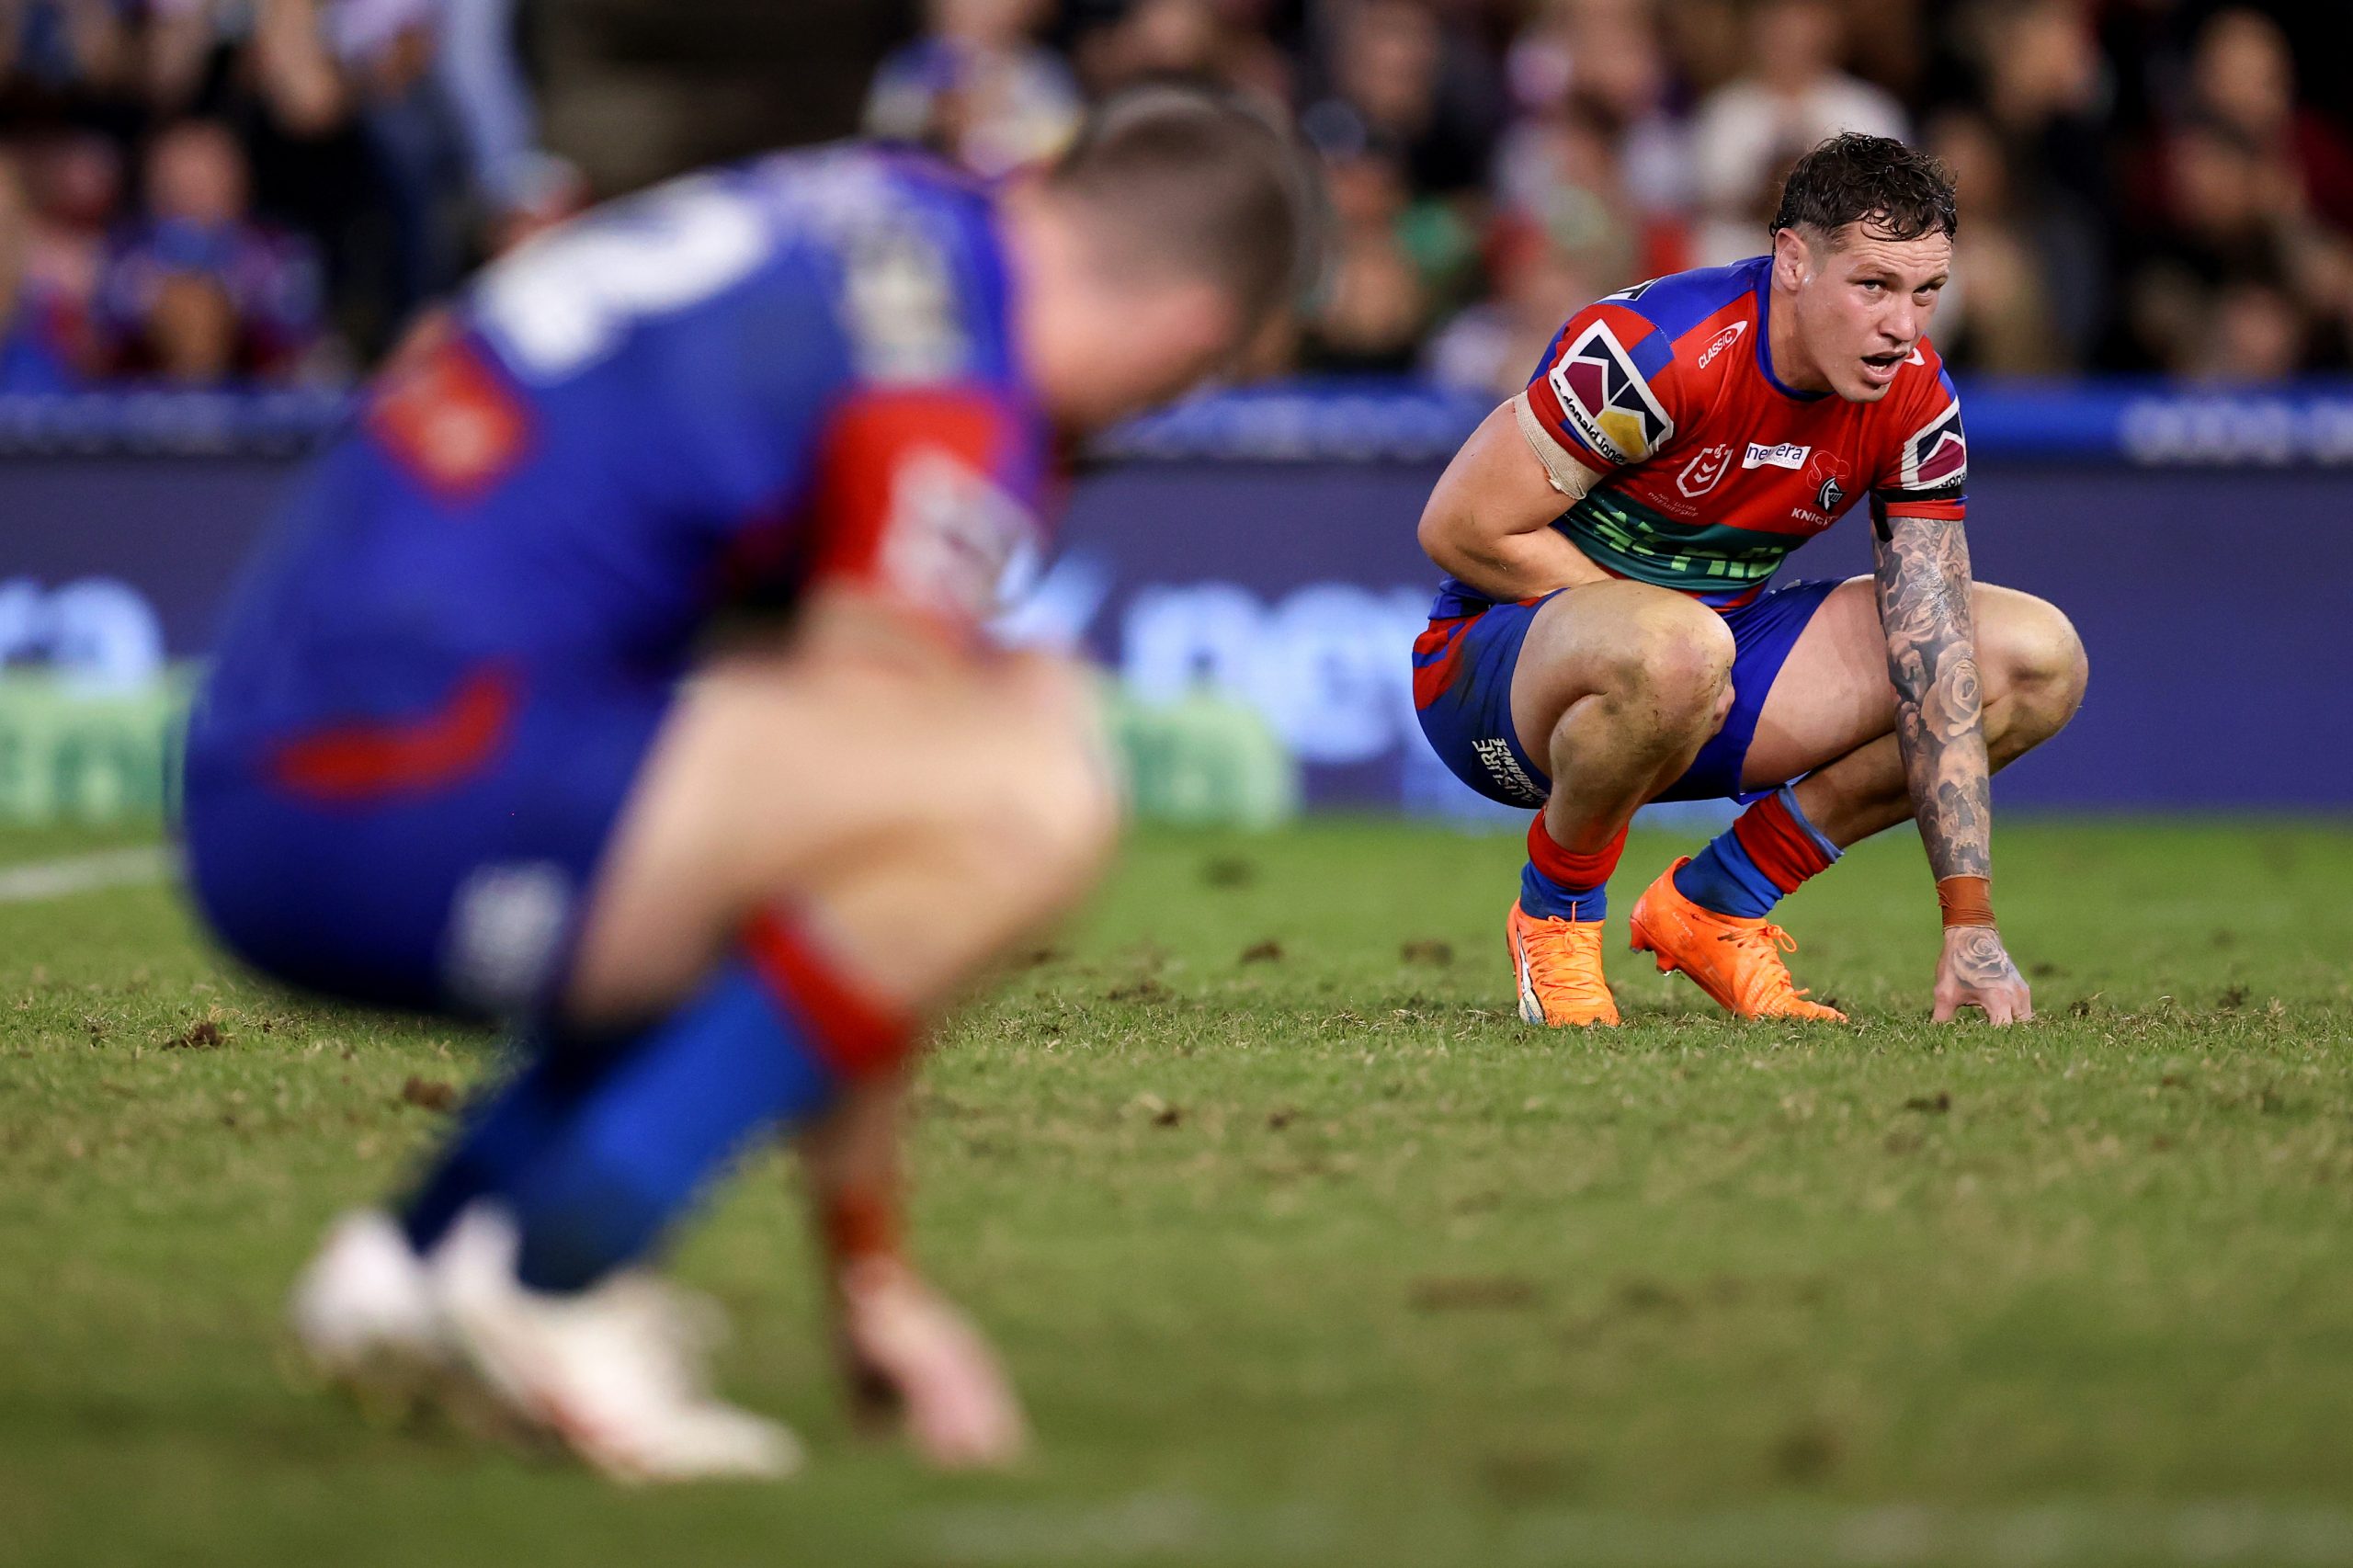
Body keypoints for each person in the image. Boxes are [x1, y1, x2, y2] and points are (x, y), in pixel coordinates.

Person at [179, 86, 1320, 1482]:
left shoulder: (885, 204)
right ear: (1197, 335)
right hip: (373, 790)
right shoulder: (954, 388)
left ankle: (425, 1254)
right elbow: (885, 823)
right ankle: (560, 1271)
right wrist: (871, 1275)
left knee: (896, 759)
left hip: (289, 741)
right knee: (1035, 769)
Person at [1412, 132, 2086, 1029]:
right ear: (1794, 260)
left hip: (1708, 665)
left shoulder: (1916, 396)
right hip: (1499, 679)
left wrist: (1968, 919)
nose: (1903, 326)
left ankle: (1717, 902)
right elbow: (1459, 528)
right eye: (1874, 286)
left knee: (2033, 658)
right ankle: (1555, 913)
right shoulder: (1653, 351)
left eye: (1926, 292)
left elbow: (1932, 651)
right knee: (1675, 647)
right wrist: (1650, 640)